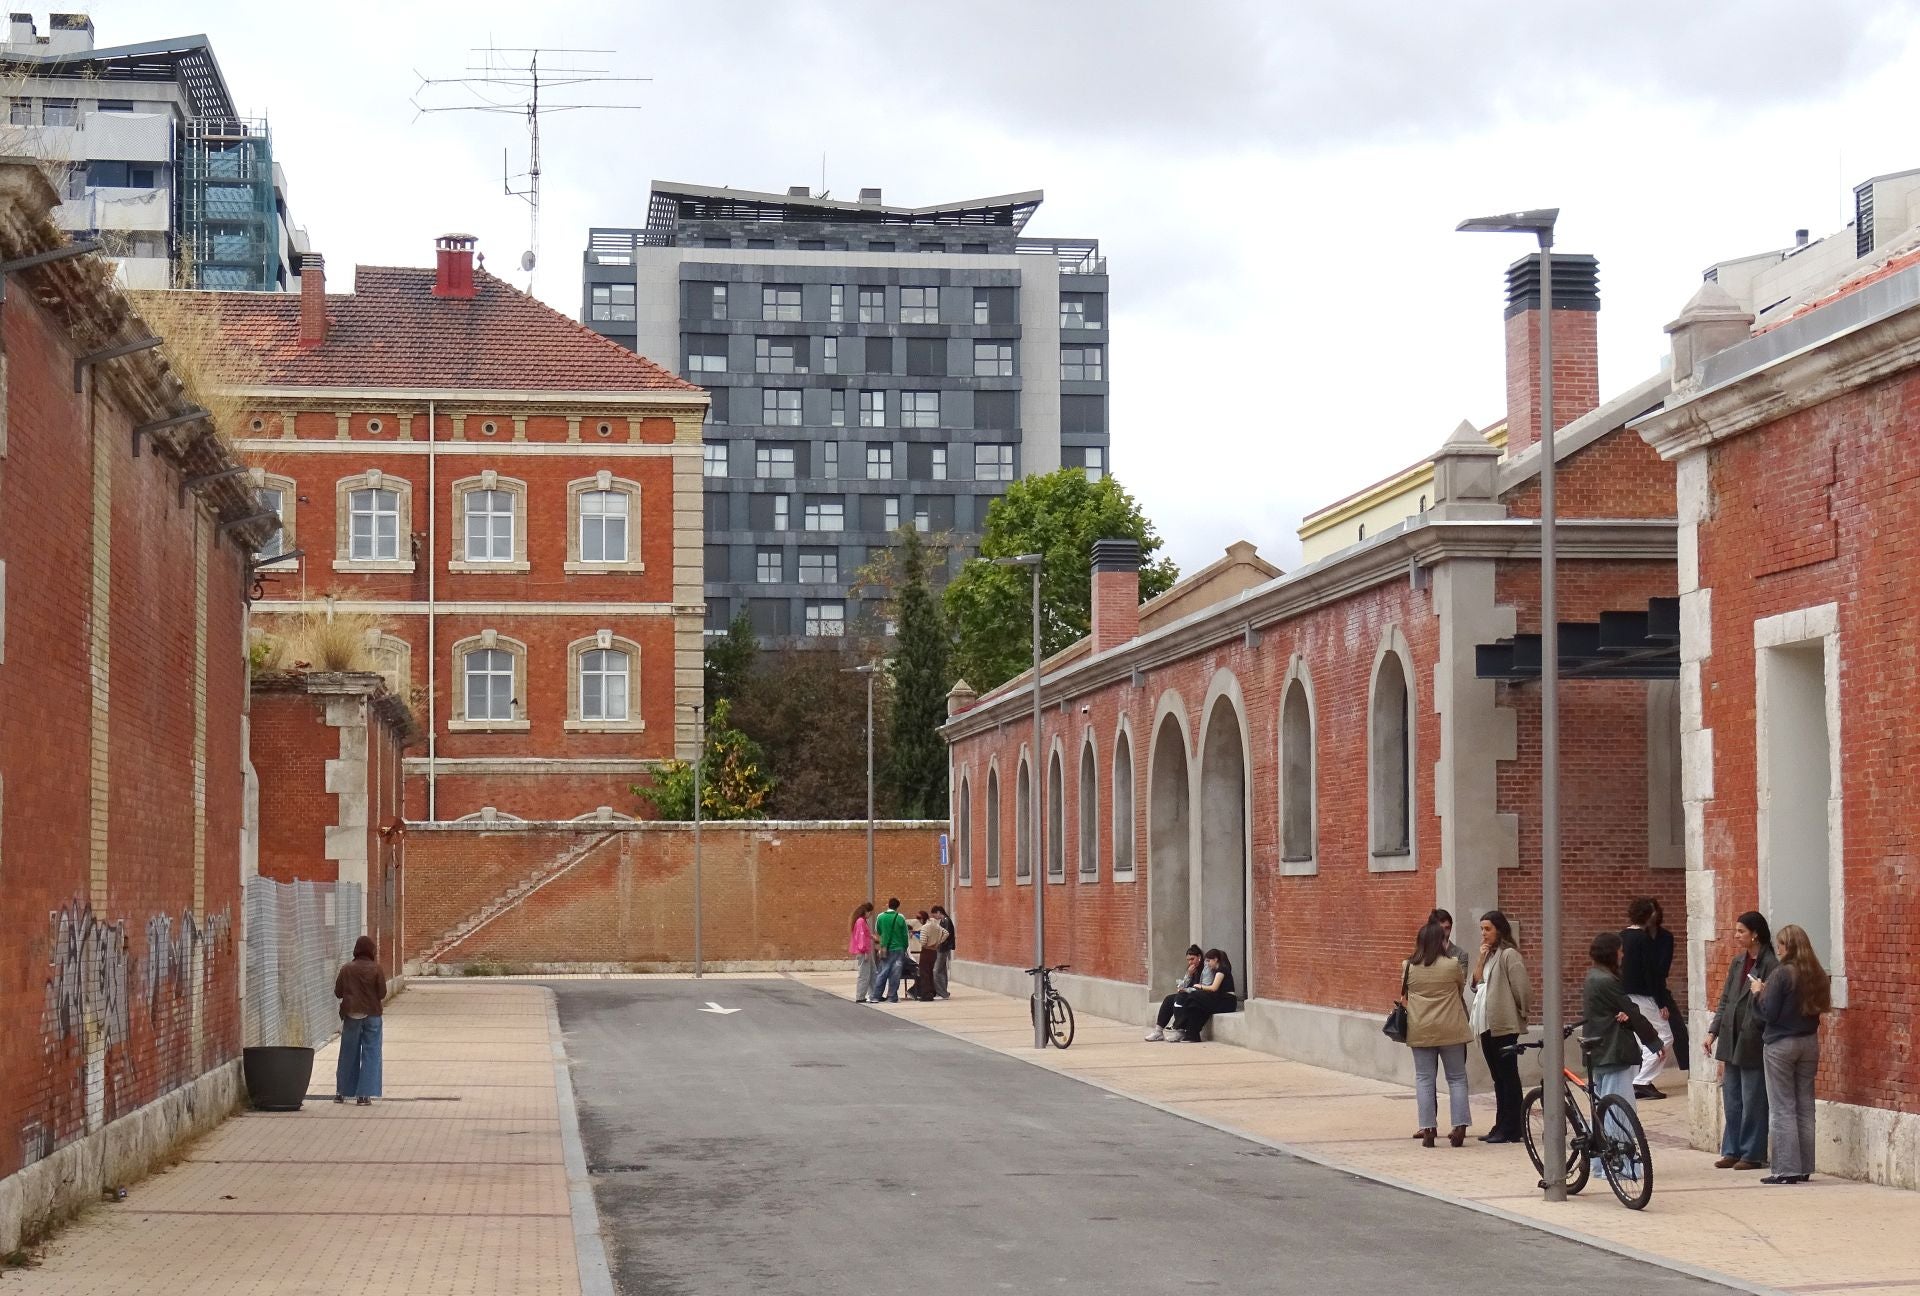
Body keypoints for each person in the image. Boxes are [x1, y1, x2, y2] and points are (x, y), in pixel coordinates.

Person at [1754, 923, 1831, 1185]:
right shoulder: (1816, 973)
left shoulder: (1781, 974)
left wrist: (1758, 994)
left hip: (1780, 1044)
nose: (1778, 949)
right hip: (1809, 1041)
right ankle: (1805, 1166)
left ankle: (1786, 1169)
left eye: (1781, 944)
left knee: (1782, 1107)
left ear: (1789, 947)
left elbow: (1769, 1014)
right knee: (1805, 1105)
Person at [1583, 931, 1664, 1171]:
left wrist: (1625, 1017)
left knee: (1603, 1108)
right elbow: (1632, 1011)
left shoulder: (1594, 976)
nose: (1622, 954)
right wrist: (1655, 1043)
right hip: (1613, 1051)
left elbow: (1620, 1013)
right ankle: (1621, 1163)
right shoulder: (1607, 981)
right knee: (1619, 1110)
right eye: (1619, 950)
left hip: (1600, 1050)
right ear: (1611, 953)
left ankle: (1602, 1163)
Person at [1704, 910, 1777, 1171]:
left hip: (1753, 1037)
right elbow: (1725, 999)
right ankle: (1732, 1149)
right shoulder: (1737, 962)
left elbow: (1772, 1001)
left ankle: (1752, 1152)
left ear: (1755, 933)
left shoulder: (1770, 963)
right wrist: (1713, 1031)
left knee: (1753, 1096)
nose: (1736, 936)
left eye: (1740, 931)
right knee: (1732, 1096)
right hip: (1730, 1035)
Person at [1403, 922, 1472, 1147]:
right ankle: (1460, 1126)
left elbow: (1405, 993)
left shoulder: (1408, 967)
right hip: (1451, 1027)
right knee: (1457, 1078)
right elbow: (1460, 989)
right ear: (1441, 941)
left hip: (1421, 1029)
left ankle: (1428, 1128)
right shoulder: (1452, 965)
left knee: (1424, 1078)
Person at [1471, 910, 1530, 1144]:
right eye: (1482, 929)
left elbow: (1522, 987)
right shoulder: (1489, 955)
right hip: (1486, 1023)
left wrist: (1520, 1012)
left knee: (1508, 1076)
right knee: (1498, 1077)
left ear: (1500, 930)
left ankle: (1513, 1126)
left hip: (1504, 1023)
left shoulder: (1509, 955)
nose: (1484, 934)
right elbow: (1475, 984)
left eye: (1488, 929)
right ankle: (1501, 1123)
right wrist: (1480, 959)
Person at [1620, 897, 1677, 1099]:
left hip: (1625, 994)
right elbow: (1652, 974)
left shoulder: (1622, 936)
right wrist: (1661, 1002)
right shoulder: (1643, 939)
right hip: (1644, 995)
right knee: (1663, 1037)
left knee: (1641, 1039)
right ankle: (1641, 1081)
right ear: (1648, 915)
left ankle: (1638, 1080)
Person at [333, 935, 387, 1105]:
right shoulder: (377, 969)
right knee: (371, 1053)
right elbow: (382, 993)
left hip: (351, 1015)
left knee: (348, 1053)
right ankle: (364, 1095)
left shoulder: (346, 969)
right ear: (371, 951)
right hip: (372, 1015)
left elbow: (338, 992)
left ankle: (341, 1092)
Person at [1167, 949, 1237, 1042]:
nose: (1207, 964)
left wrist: (1199, 986)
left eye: (1209, 961)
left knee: (1195, 995)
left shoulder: (1222, 969)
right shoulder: (1216, 970)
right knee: (1195, 1005)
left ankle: (1179, 1024)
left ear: (1216, 959)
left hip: (1228, 1002)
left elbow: (1213, 988)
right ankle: (1192, 1035)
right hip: (1221, 999)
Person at [1146, 946, 1205, 1041]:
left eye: (1192, 959)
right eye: (1188, 960)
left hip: (1198, 996)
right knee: (1169, 999)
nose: (1190, 962)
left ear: (1199, 957)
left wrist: (1186, 990)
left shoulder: (1205, 969)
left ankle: (1180, 1032)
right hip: (1190, 993)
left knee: (1180, 999)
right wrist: (1189, 975)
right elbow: (1182, 985)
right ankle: (1158, 1031)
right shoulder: (1191, 969)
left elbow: (1202, 987)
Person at [870, 898, 910, 1004]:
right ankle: (892, 996)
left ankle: (876, 996)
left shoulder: (880, 916)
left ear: (888, 905)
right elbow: (905, 934)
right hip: (898, 948)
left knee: (882, 972)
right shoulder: (900, 917)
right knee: (895, 973)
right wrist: (905, 947)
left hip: (885, 948)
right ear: (897, 906)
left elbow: (878, 931)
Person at [911, 909, 948, 1001]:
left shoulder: (925, 927)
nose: (918, 920)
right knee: (930, 972)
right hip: (934, 951)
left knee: (924, 973)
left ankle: (926, 994)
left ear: (923, 918)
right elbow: (946, 933)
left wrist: (924, 941)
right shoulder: (935, 925)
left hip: (926, 951)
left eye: (919, 918)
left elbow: (923, 942)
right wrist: (938, 942)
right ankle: (932, 991)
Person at [1428, 908, 1471, 979]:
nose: (1443, 932)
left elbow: (1461, 983)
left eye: (1447, 928)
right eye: (1440, 928)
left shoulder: (1460, 954)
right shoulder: (1423, 950)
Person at [850, 902, 877, 1003]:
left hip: (866, 951)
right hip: (864, 951)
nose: (870, 915)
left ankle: (873, 994)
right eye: (870, 913)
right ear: (866, 911)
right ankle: (860, 996)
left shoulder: (862, 921)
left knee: (872, 972)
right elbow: (861, 937)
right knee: (864, 974)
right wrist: (864, 950)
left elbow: (864, 934)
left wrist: (871, 936)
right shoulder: (861, 921)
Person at [931, 905, 956, 1000]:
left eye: (935, 915)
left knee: (936, 970)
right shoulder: (943, 921)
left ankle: (942, 992)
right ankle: (943, 991)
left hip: (944, 948)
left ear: (938, 912)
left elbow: (946, 934)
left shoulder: (946, 920)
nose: (935, 917)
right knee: (942, 970)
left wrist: (938, 942)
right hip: (943, 948)